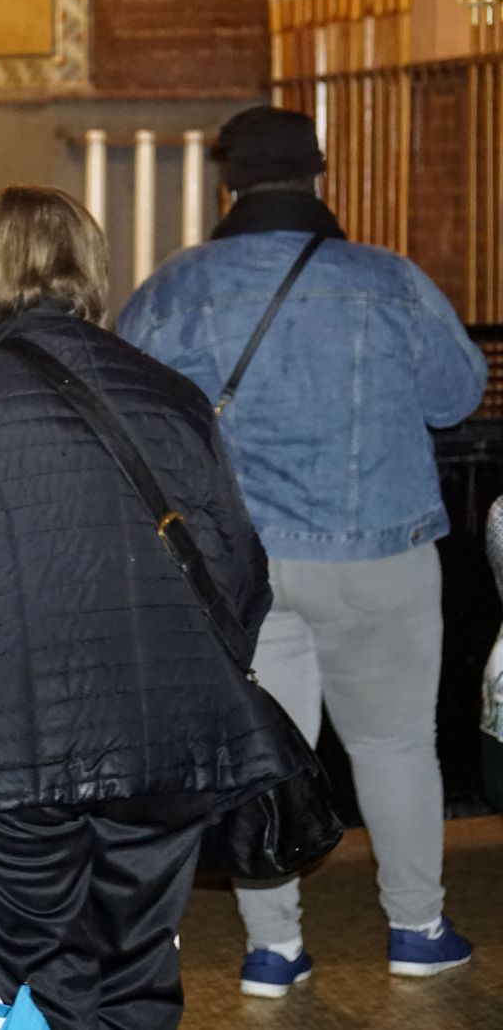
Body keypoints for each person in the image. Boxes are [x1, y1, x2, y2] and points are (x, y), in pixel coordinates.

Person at [0, 185, 296, 1030]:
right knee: (135, 974)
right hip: (165, 751)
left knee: (21, 990)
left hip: (3, 759)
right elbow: (242, 576)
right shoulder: (172, 394)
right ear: (88, 274)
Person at [117, 105, 486, 997]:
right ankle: (416, 929)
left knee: (265, 754)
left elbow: (128, 408)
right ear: (319, 176)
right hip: (384, 554)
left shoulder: (176, 288)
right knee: (397, 746)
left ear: (227, 182)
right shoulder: (390, 281)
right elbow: (458, 394)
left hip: (247, 567)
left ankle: (273, 950)